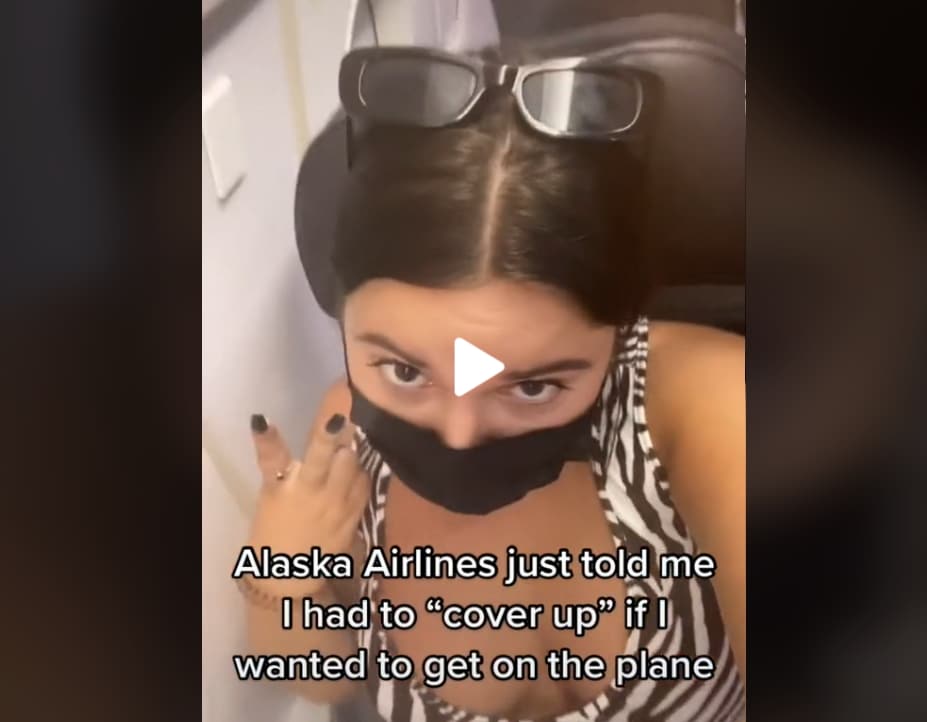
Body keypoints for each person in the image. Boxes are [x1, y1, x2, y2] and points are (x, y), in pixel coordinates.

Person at [239, 46, 745, 721]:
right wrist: (279, 572)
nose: (459, 435)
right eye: (405, 370)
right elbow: (325, 681)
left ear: (618, 328)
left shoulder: (710, 404)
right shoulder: (350, 433)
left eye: (532, 386)